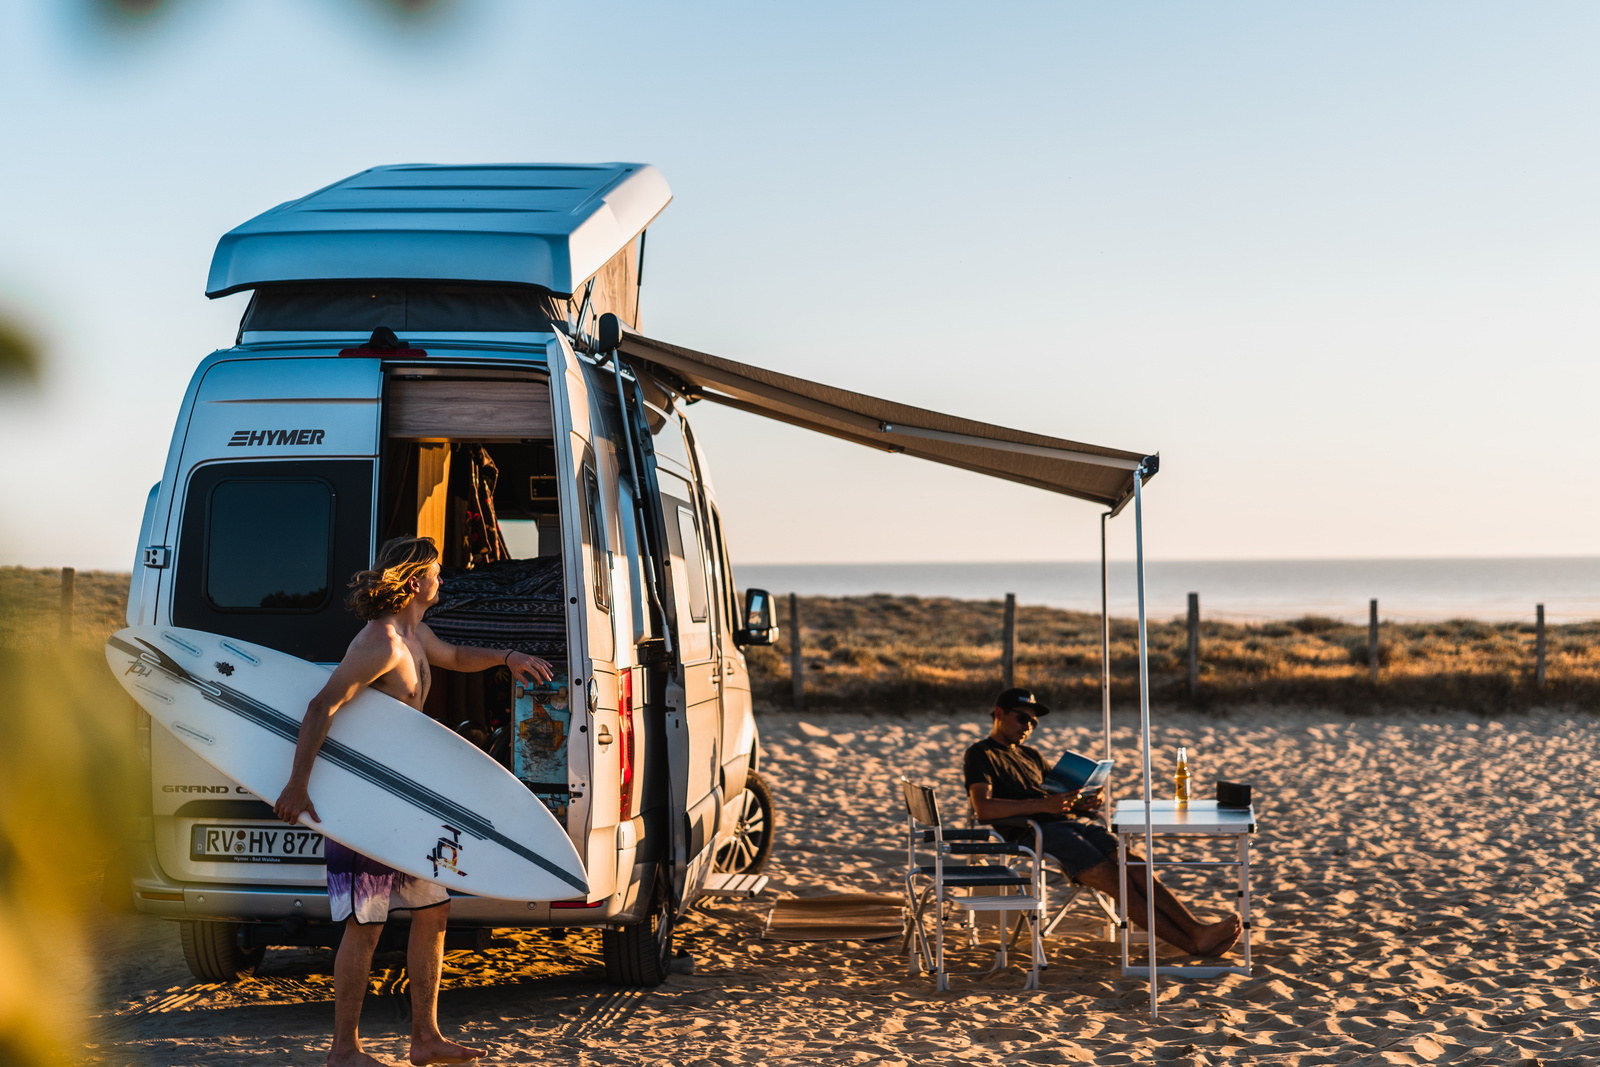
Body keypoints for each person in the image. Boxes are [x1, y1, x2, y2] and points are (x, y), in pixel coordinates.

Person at [274, 536, 554, 1067]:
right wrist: (297, 784)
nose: (442, 581)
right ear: (411, 581)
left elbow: (454, 656)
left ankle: (424, 1039)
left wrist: (507, 657)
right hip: (369, 807)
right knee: (366, 923)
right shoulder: (378, 643)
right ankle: (344, 1051)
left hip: (408, 808)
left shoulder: (416, 633)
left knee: (434, 911)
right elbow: (320, 707)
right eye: (435, 573)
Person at [963, 687, 1241, 958]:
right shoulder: (981, 754)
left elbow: (1056, 795)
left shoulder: (1030, 755)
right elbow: (983, 808)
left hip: (1068, 823)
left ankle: (1197, 930)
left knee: (1135, 865)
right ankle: (1193, 944)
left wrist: (1083, 802)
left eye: (1033, 722)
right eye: (1022, 718)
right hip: (1033, 832)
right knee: (1115, 881)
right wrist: (1043, 805)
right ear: (999, 713)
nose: (1028, 726)